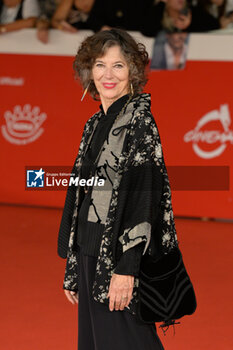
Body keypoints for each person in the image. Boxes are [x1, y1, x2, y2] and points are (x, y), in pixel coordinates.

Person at [57, 28, 179, 349]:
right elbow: (82, 195)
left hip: (118, 258)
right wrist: (74, 265)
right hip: (89, 252)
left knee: (130, 342)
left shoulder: (140, 122)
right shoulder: (95, 123)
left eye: (118, 66)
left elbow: (145, 197)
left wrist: (127, 269)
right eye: (99, 65)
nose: (107, 75)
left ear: (132, 73)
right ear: (88, 72)